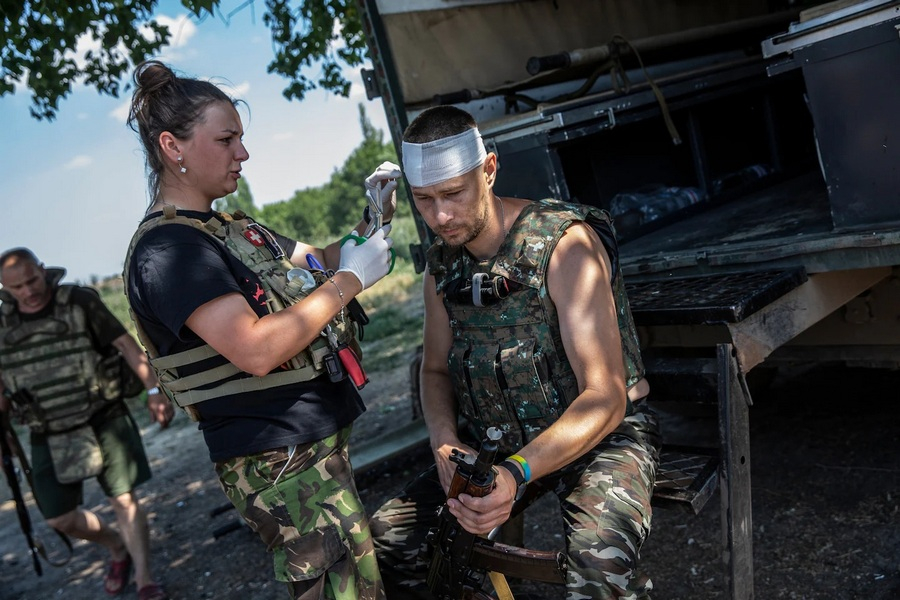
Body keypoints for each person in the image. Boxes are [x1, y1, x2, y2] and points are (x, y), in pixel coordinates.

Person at [122, 60, 396, 600]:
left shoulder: (231, 228)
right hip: (278, 461)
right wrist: (349, 283)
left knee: (360, 585)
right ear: (172, 147)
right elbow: (254, 348)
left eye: (240, 139)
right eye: (226, 140)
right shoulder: (169, 252)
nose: (242, 154)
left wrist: (372, 218)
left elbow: (316, 260)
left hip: (308, 447)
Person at [369, 105, 662, 599]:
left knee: (597, 565)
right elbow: (435, 369)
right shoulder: (442, 267)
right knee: (388, 542)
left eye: (453, 194)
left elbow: (606, 396)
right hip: (498, 442)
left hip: (598, 437)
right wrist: (443, 441)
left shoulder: (564, 246)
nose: (440, 216)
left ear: (489, 170)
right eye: (423, 200)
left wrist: (514, 473)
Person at [0, 248, 174, 600]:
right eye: (17, 287)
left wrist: (153, 390)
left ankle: (144, 579)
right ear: (5, 288)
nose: (28, 291)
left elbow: (126, 345)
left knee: (123, 500)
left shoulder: (79, 301)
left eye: (32, 280)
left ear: (43, 270)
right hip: (47, 429)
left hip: (103, 416)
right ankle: (115, 546)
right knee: (59, 518)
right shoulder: (3, 323)